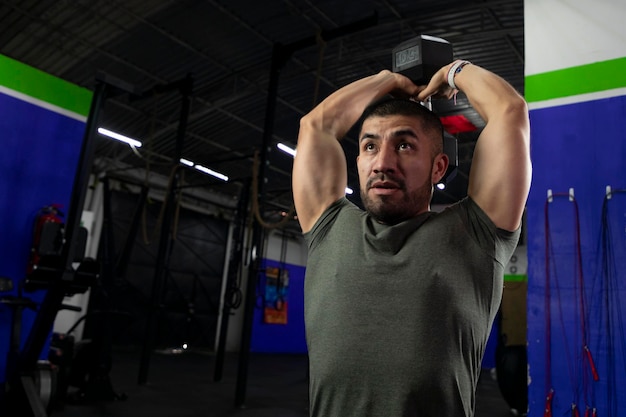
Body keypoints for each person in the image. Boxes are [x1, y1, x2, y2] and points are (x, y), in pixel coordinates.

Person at [292, 60, 531, 417]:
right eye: (370, 146)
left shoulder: (477, 232)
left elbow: (509, 111)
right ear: (357, 160)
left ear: (438, 167)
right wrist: (385, 80)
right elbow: (316, 125)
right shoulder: (328, 226)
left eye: (404, 146)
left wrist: (454, 72)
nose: (382, 162)